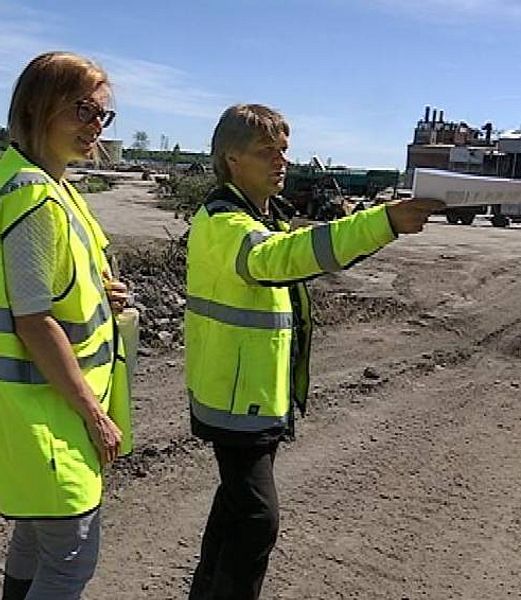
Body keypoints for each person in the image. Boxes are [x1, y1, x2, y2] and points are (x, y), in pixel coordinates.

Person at [185, 103, 443, 600]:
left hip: (252, 394)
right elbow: (281, 259)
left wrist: (379, 228)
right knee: (256, 519)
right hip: (235, 401)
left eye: (283, 150)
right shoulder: (224, 222)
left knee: (235, 512)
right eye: (267, 151)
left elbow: (308, 248)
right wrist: (383, 222)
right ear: (232, 158)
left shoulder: (258, 216)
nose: (281, 161)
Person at [0, 52, 130, 600]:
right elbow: (33, 320)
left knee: (34, 539)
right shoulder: (32, 194)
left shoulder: (55, 188)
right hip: (49, 413)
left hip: (44, 413)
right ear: (38, 106)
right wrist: (95, 416)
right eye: (82, 110)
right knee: (70, 561)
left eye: (102, 116)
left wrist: (104, 291)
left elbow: (54, 283)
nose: (95, 127)